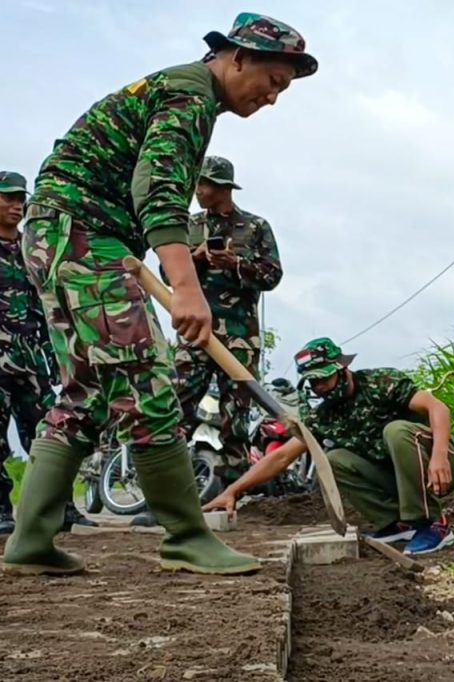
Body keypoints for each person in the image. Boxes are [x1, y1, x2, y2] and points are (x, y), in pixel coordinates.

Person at [1, 13, 317, 576]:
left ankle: (29, 541)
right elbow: (160, 191)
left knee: (87, 391)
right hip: (83, 236)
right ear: (237, 57)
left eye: (282, 91)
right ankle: (187, 537)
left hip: (59, 235)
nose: (272, 98)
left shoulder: (177, 90)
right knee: (147, 378)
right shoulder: (189, 96)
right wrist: (187, 288)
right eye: (272, 82)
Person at [206, 338, 454, 556]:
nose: (319, 388)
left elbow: (437, 408)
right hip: (395, 477)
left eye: (324, 379)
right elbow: (282, 457)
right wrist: (233, 491)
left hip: (439, 463)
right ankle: (398, 524)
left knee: (395, 431)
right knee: (333, 459)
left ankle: (434, 524)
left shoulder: (380, 383)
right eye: (313, 383)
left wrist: (439, 457)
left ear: (342, 369)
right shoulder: (325, 416)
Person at [131, 155, 282, 528]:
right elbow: (167, 273)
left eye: (205, 184)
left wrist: (237, 264)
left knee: (235, 419)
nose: (198, 191)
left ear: (224, 188)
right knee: (174, 408)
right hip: (194, 333)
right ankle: (166, 500)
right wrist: (195, 259)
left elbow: (272, 275)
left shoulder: (256, 226)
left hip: (239, 338)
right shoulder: (188, 225)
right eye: (197, 183)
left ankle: (232, 499)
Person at [0, 171, 97, 536]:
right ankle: (0, 510)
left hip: (31, 362)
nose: (16, 205)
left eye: (20, 198)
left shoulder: (33, 249)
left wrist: (59, 356)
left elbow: (46, 307)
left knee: (50, 436)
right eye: (7, 197)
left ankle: (62, 507)